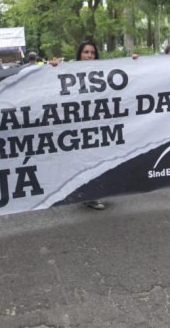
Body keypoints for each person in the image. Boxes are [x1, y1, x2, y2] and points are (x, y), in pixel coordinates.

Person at [51, 40, 138, 210]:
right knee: (83, 160)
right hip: (79, 125)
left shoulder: (103, 70)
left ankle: (93, 193)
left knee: (99, 158)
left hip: (100, 123)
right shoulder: (69, 70)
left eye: (92, 53)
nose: (89, 56)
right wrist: (52, 67)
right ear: (79, 54)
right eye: (86, 52)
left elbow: (127, 76)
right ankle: (87, 193)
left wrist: (136, 63)